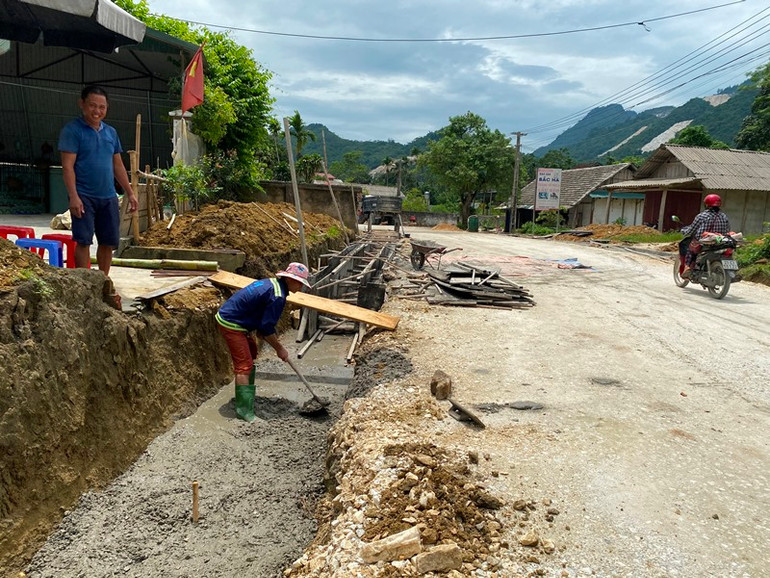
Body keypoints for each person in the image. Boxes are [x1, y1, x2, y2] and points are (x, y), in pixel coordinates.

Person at [58, 85, 138, 305]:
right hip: (84, 195)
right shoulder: (72, 131)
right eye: (92, 105)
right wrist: (73, 196)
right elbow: (67, 167)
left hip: (108, 197)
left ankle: (103, 282)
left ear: (107, 108)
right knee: (83, 241)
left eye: (101, 107)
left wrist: (130, 193)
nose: (97, 111)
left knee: (108, 242)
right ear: (82, 104)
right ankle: (86, 285)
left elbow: (118, 165)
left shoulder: (111, 133)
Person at [215, 262, 311, 422]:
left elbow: (262, 329)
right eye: (298, 282)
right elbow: (266, 329)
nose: (300, 287)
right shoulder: (277, 296)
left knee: (251, 355)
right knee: (244, 366)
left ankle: (247, 399)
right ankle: (244, 412)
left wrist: (265, 335)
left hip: (240, 320)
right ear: (288, 279)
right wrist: (280, 349)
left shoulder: (272, 284)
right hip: (231, 322)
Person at [681, 194, 730, 278]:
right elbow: (727, 229)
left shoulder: (702, 216)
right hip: (720, 241)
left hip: (705, 241)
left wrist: (684, 231)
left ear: (706, 204)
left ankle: (688, 268)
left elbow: (692, 229)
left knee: (690, 249)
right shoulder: (724, 216)